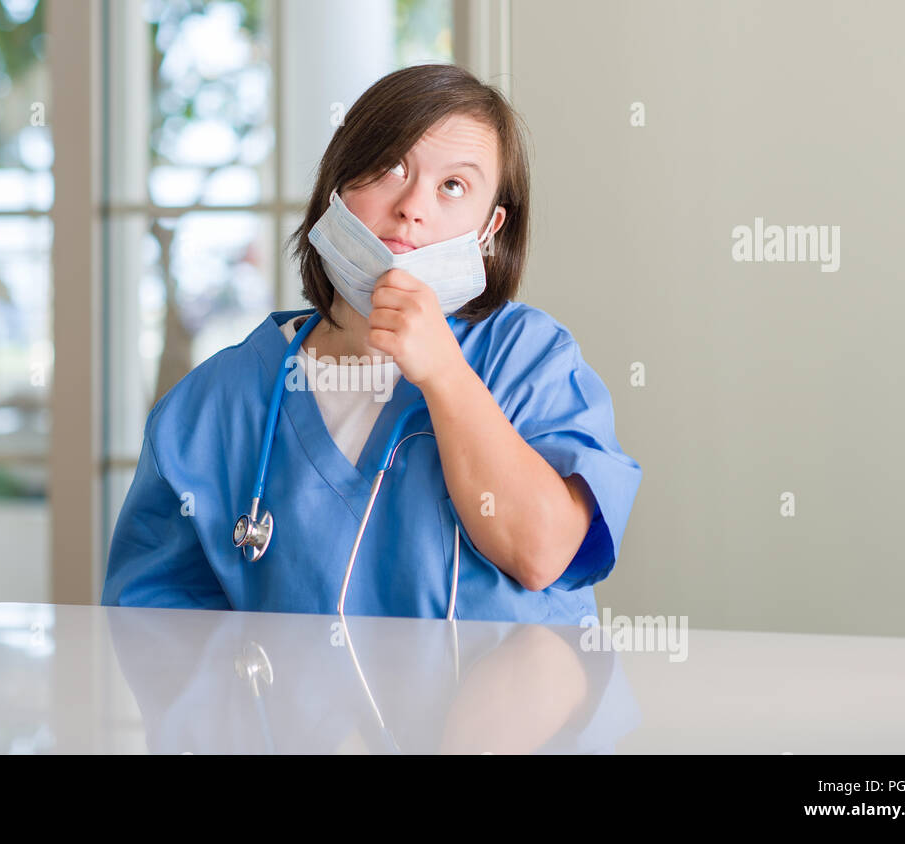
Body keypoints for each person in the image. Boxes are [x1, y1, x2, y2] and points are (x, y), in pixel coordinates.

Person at [102, 64, 642, 623]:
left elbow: (542, 554)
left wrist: (445, 374)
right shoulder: (215, 404)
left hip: (502, 714)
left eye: (453, 186)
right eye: (390, 167)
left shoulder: (531, 360)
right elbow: (151, 639)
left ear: (489, 230)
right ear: (337, 185)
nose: (413, 206)